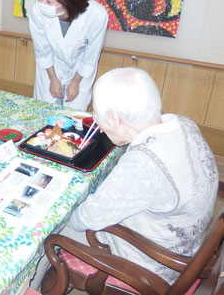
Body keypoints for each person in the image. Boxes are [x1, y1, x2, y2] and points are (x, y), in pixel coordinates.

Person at [66, 67, 218, 283]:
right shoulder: (183, 124)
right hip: (189, 244)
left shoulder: (143, 164)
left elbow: (84, 219)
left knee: (51, 234)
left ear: (113, 116)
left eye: (96, 113)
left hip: (155, 264)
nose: (96, 122)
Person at [29, 0, 108, 110]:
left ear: (68, 1)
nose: (41, 2)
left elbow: (91, 56)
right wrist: (53, 78)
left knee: (73, 117)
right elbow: (42, 50)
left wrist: (76, 81)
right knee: (43, 112)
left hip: (80, 72)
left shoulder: (97, 15)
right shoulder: (38, 11)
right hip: (50, 68)